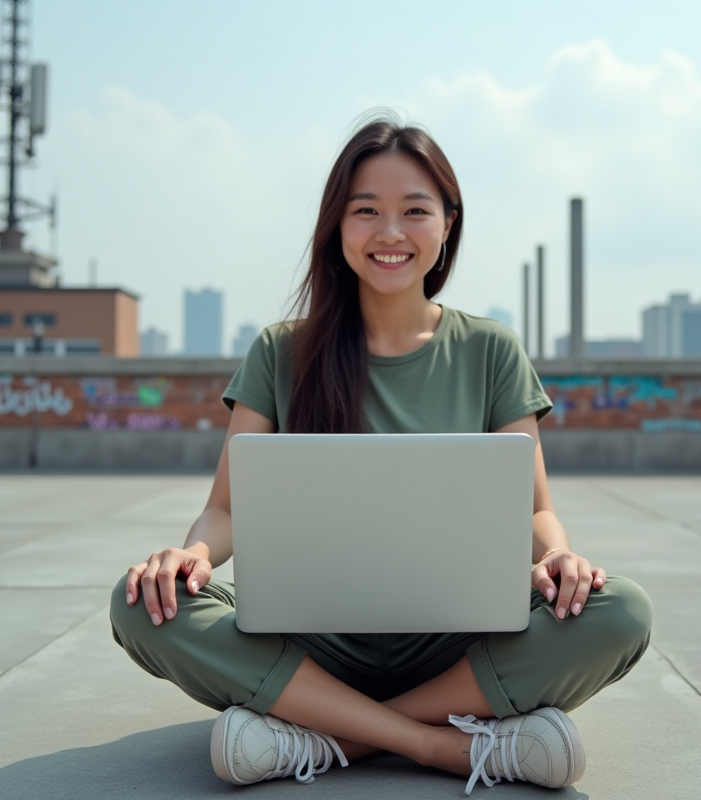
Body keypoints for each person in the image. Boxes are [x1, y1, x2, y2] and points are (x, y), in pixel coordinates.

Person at [110, 115, 653, 795]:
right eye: (365, 210)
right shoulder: (282, 350)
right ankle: (443, 746)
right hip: (314, 640)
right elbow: (226, 508)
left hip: (458, 640)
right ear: (337, 225)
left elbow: (534, 508)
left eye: (415, 211)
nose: (390, 233)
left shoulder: (491, 350)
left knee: (620, 610)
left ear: (448, 223)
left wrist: (555, 559)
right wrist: (189, 554)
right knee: (141, 603)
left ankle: (321, 738)